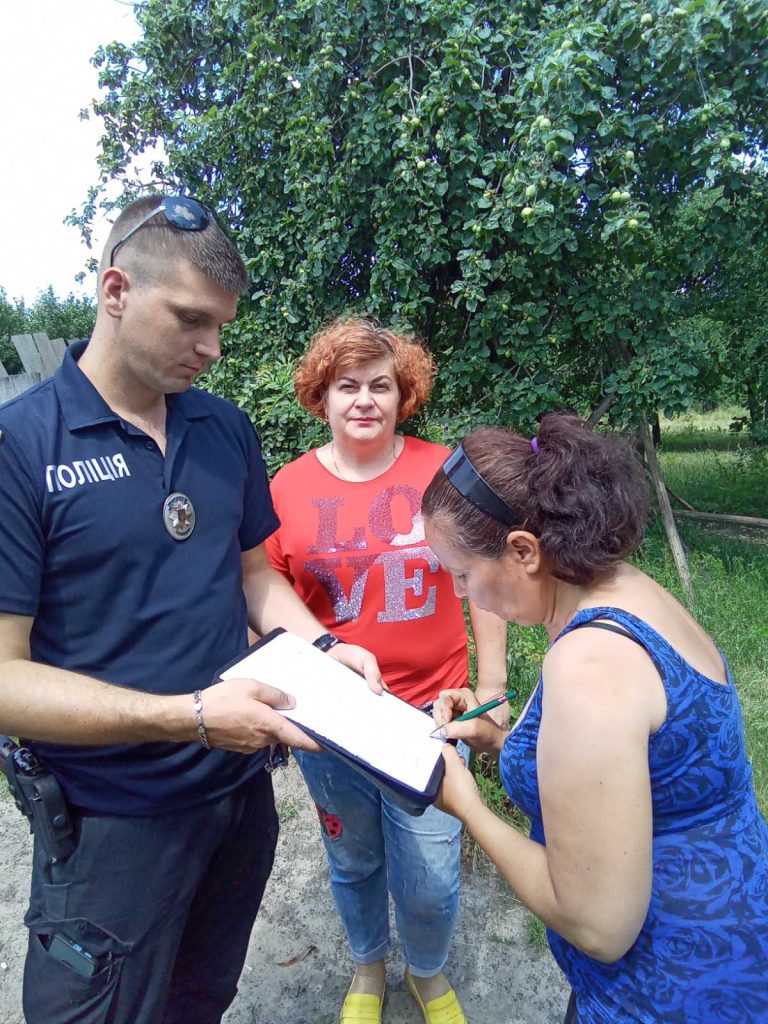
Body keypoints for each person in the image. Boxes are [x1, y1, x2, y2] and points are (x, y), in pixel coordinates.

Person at [0, 196, 382, 1024]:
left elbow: (254, 577)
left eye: (221, 327)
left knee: (202, 996)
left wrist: (324, 647)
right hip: (112, 820)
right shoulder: (21, 447)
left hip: (238, 799)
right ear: (115, 291)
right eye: (191, 320)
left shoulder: (223, 428)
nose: (211, 348)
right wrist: (190, 717)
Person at [422, 413, 768, 1024]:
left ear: (523, 551)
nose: (459, 594)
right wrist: (500, 741)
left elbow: (598, 924)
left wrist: (467, 805)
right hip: (732, 933)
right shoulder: (623, 590)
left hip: (669, 991)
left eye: (462, 573)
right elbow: (630, 775)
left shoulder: (590, 663)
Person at [265, 317, 508, 1024]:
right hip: (332, 719)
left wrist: (492, 688)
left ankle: (426, 971)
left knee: (430, 872)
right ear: (321, 396)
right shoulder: (287, 487)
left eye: (382, 385)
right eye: (348, 386)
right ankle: (368, 965)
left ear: (406, 395)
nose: (365, 400)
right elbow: (267, 591)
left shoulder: (445, 472)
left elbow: (485, 577)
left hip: (432, 714)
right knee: (354, 860)